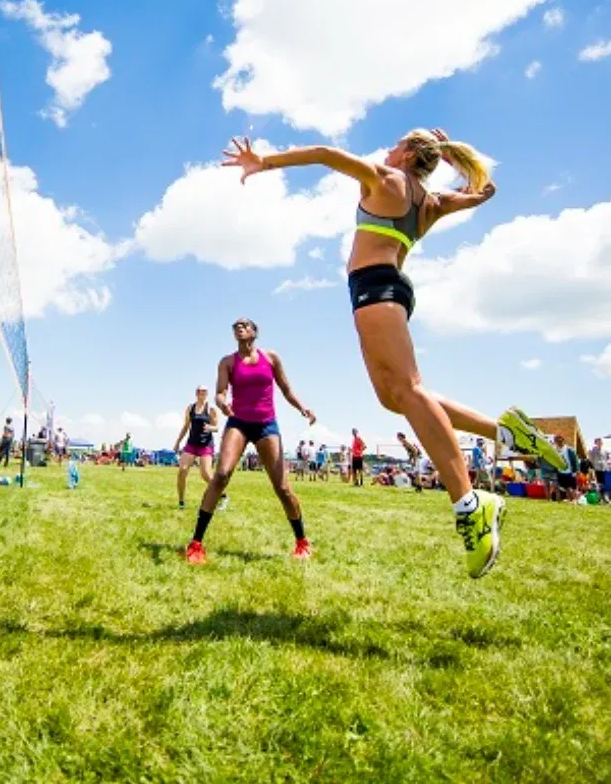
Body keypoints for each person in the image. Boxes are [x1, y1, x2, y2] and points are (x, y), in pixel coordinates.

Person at [223, 130, 565, 578]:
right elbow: (482, 194)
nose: (387, 148)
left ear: (406, 154)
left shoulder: (386, 178)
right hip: (389, 290)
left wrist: (263, 161)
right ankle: (505, 433)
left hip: (375, 289)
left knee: (408, 390)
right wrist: (452, 157)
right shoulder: (430, 201)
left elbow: (326, 154)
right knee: (394, 397)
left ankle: (470, 504)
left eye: (397, 143)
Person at [184, 318, 315, 564]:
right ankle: (195, 544)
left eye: (245, 325)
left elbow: (286, 389)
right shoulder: (227, 362)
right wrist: (223, 403)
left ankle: (302, 542)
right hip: (239, 422)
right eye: (235, 326)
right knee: (221, 475)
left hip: (267, 425)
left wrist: (303, 408)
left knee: (283, 488)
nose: (239, 328)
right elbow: (220, 392)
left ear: (255, 331)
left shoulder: (271, 358)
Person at [173, 385, 219, 509]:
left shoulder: (211, 409)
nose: (203, 393)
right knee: (182, 470)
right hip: (192, 443)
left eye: (205, 392)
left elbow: (217, 427)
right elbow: (186, 426)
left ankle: (222, 495)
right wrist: (178, 442)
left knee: (205, 474)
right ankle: (181, 502)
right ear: (197, 393)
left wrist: (210, 427)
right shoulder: (190, 408)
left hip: (205, 444)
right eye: (201, 391)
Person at [553, 434, 578, 502]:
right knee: (566, 487)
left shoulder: (569, 449)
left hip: (570, 471)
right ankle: (571, 500)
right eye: (556, 440)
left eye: (559, 439)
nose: (558, 441)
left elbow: (575, 460)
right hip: (560, 471)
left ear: (563, 440)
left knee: (573, 487)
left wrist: (576, 471)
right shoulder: (554, 450)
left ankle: (575, 500)